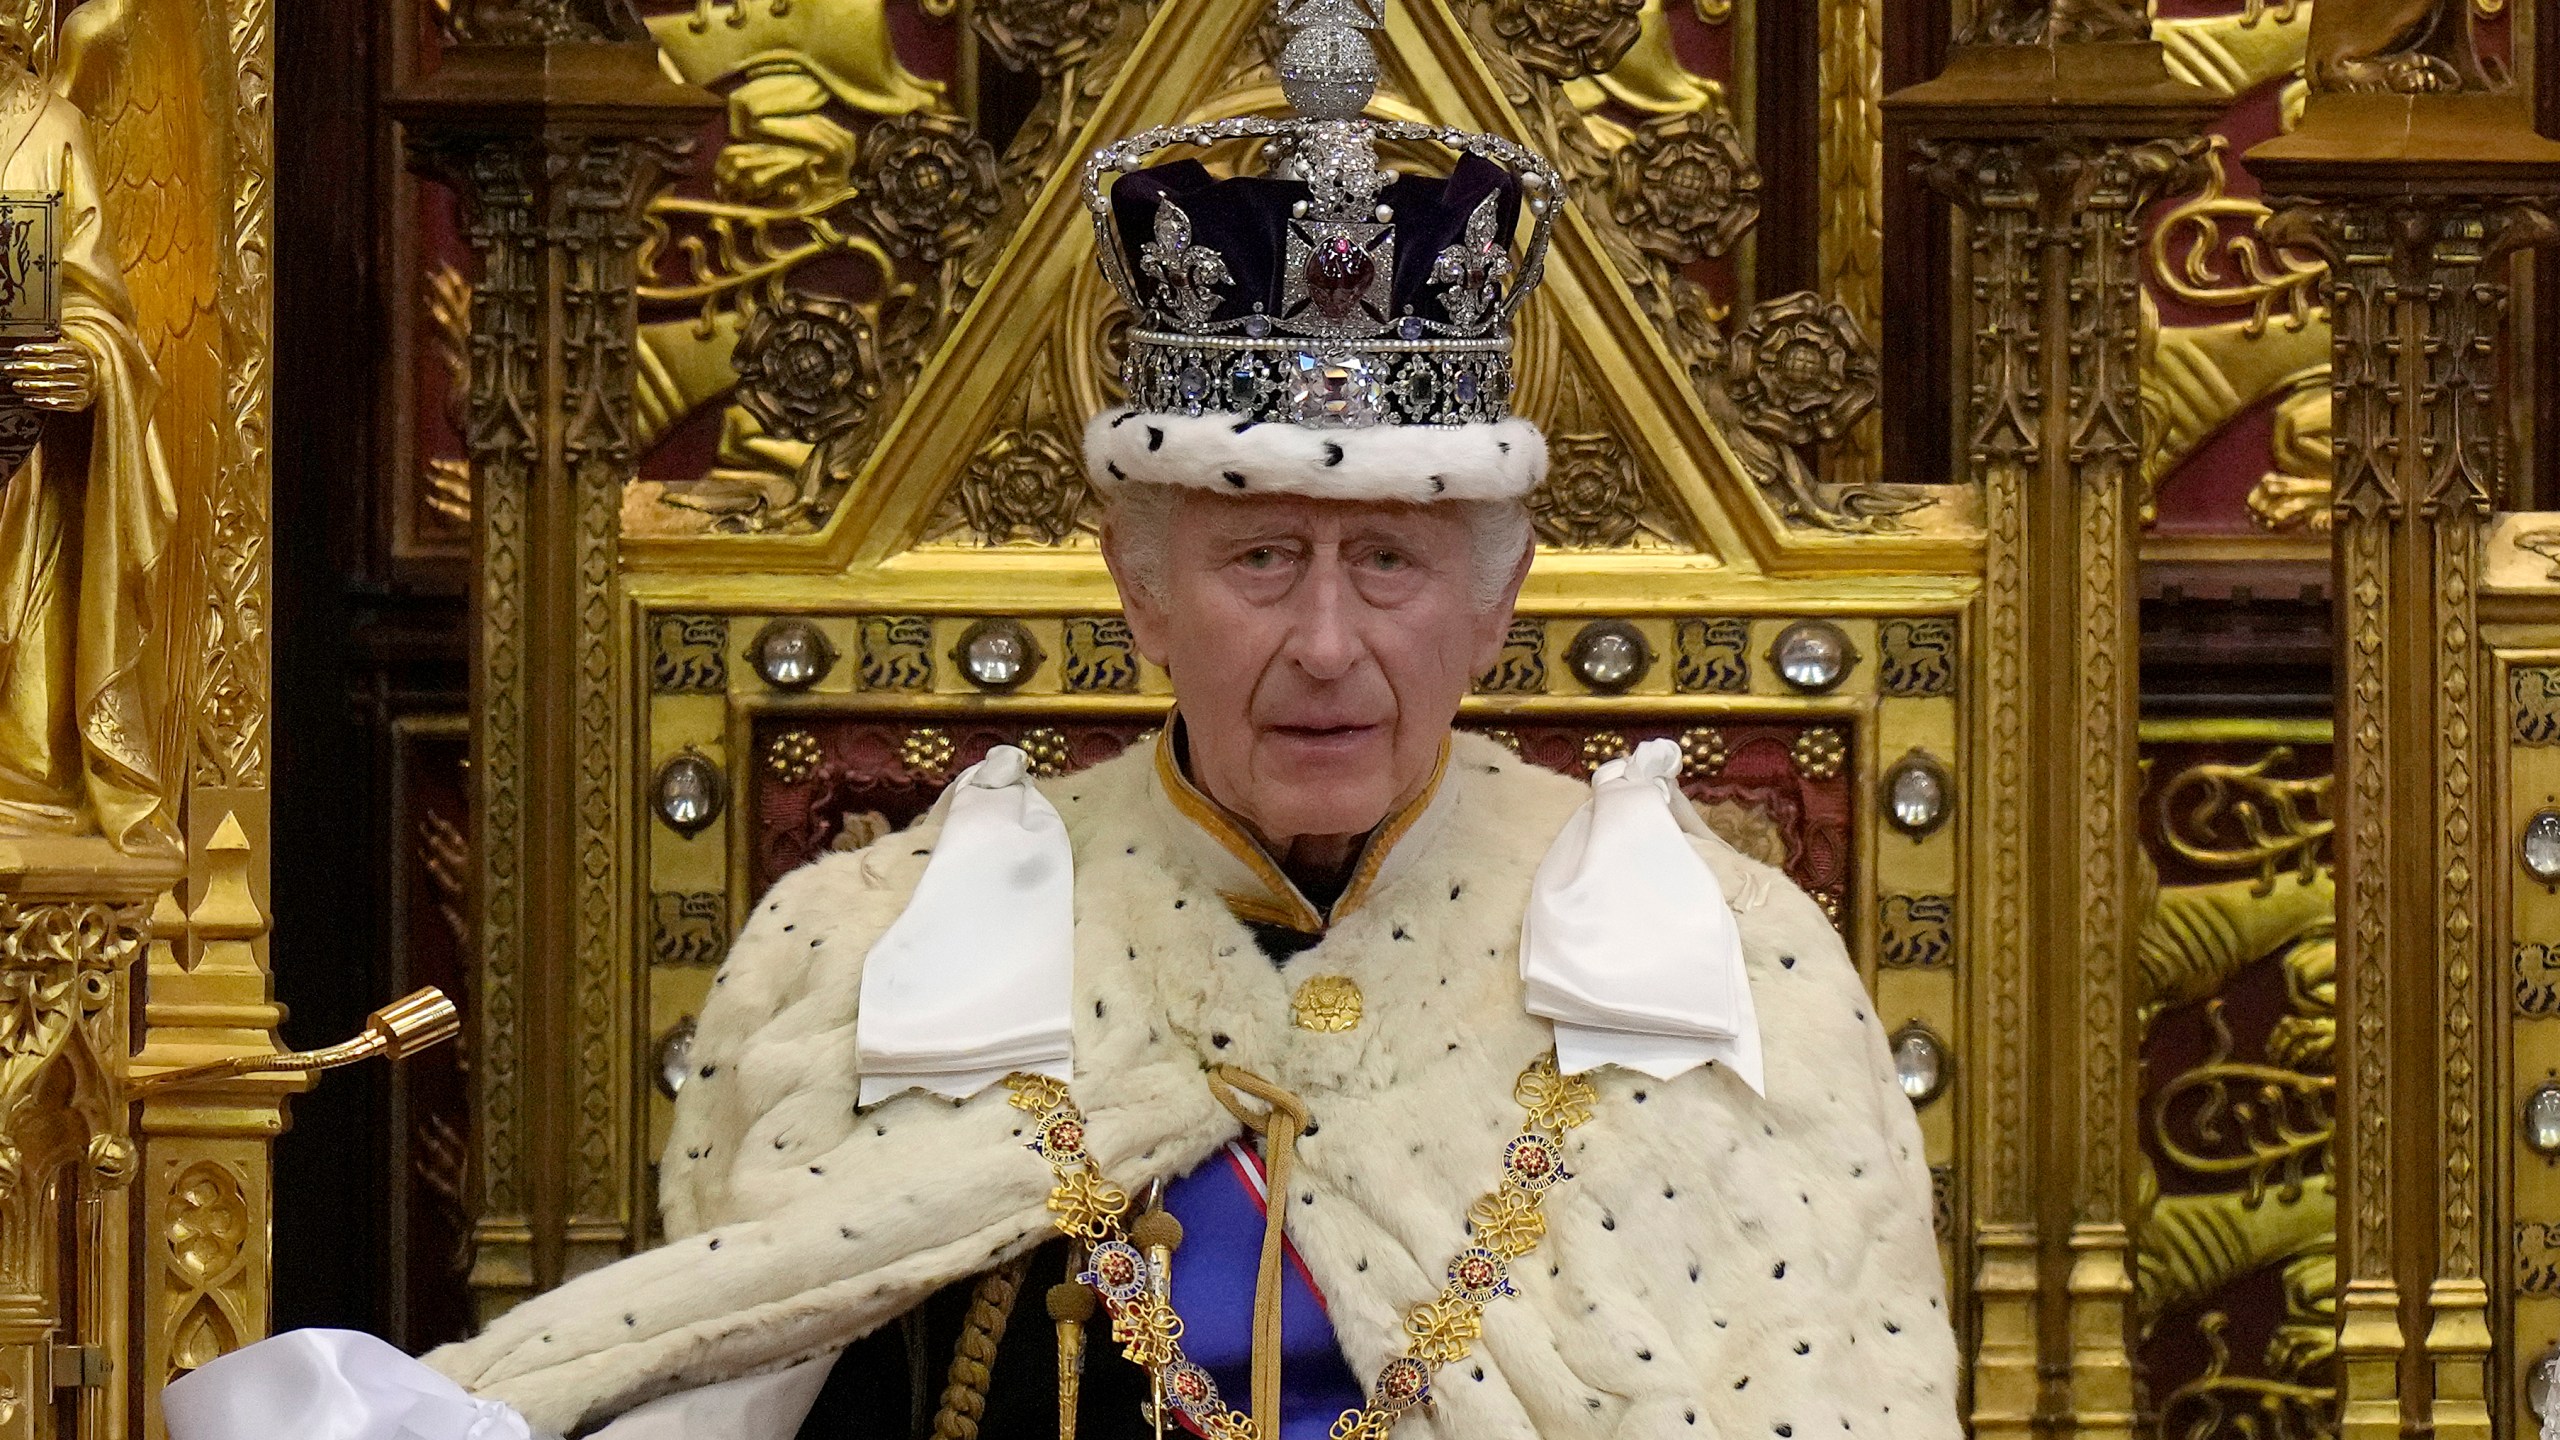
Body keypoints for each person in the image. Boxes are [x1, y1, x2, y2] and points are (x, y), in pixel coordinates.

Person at [165, 3, 1958, 1435]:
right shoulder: (872, 946)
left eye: (1393, 563)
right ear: (1138, 584)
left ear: (1497, 596)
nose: (1327, 644)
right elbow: (725, 1365)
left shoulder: (1723, 954)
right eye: (1260, 556)